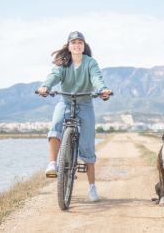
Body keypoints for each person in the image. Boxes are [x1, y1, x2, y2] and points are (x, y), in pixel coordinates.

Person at [38, 31, 111, 202]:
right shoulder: (63, 62)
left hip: (85, 103)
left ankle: (92, 187)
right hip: (66, 101)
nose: (77, 45)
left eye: (80, 43)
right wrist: (45, 86)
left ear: (84, 46)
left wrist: (102, 90)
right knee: (56, 123)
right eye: (74, 43)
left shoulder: (90, 62)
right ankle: (53, 163)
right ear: (69, 46)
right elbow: (54, 76)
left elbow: (96, 78)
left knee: (87, 143)